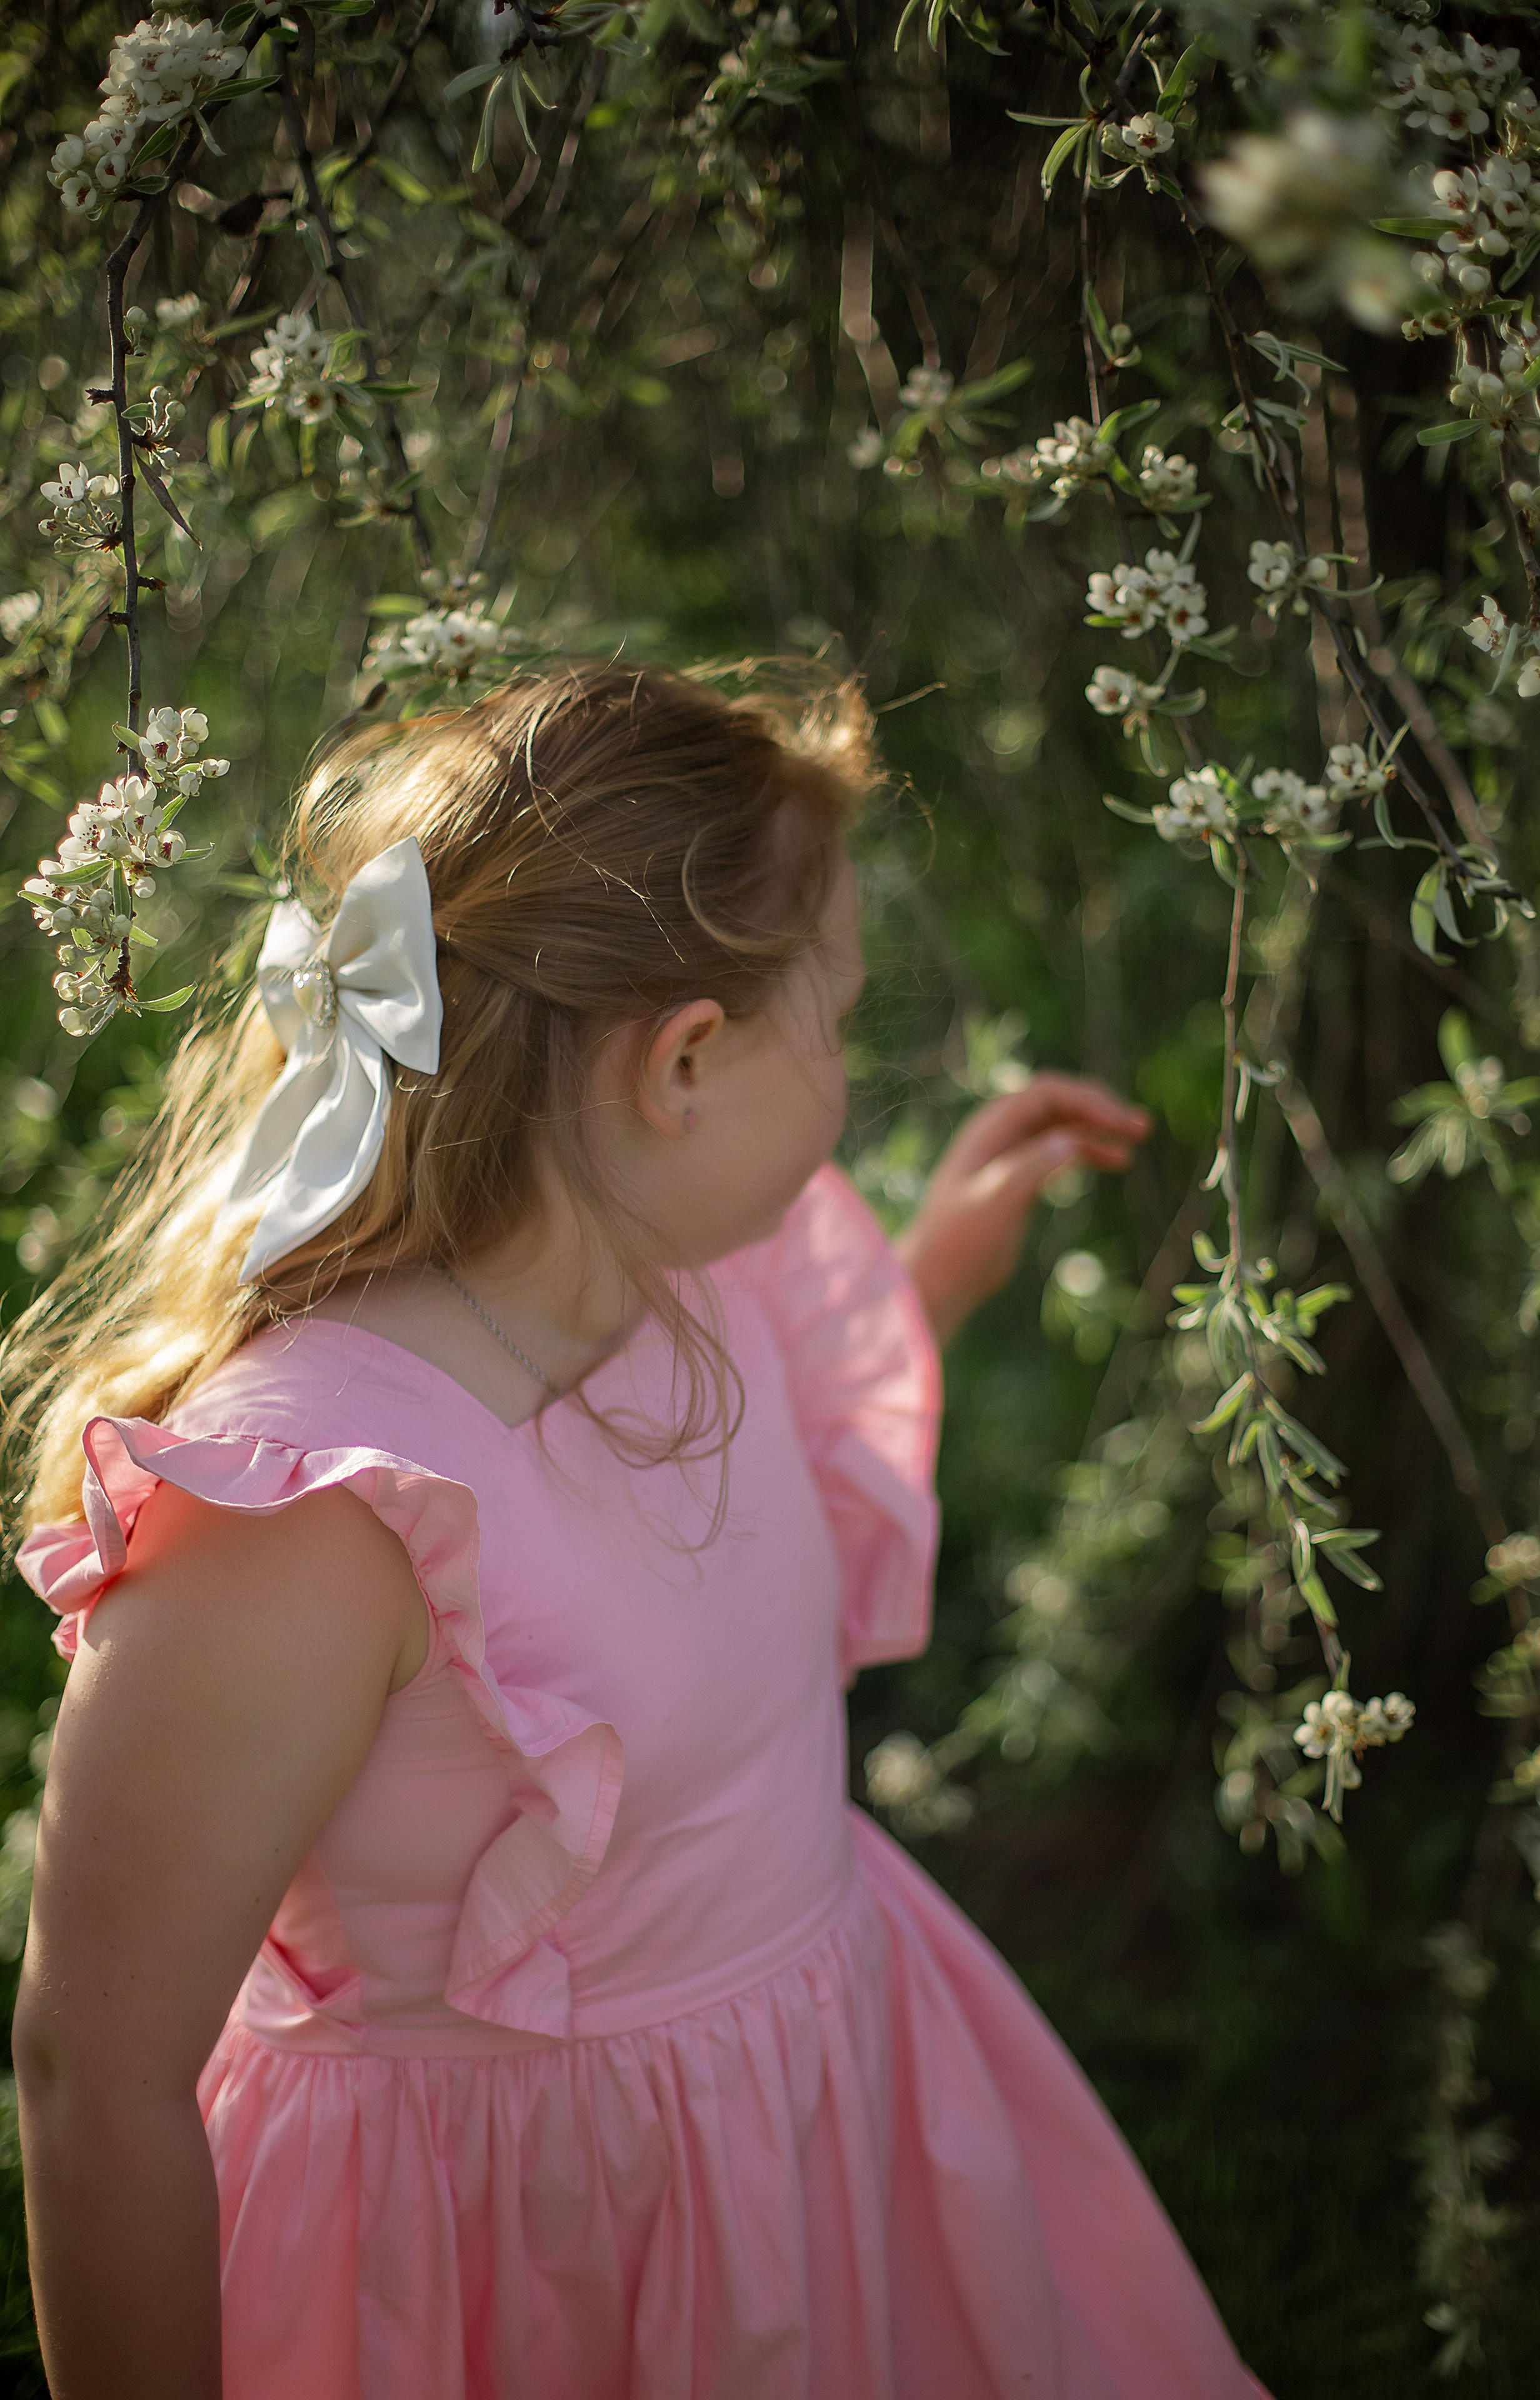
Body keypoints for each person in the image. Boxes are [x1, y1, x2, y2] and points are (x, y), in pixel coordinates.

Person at [7, 664, 1262, 2400]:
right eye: (831, 1016)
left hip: (809, 2142)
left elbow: (687, 1593)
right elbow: (99, 2073)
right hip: (522, 2264)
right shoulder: (305, 1514)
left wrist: (935, 1276)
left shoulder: (674, 1277)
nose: (847, 1066)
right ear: (680, 1062)